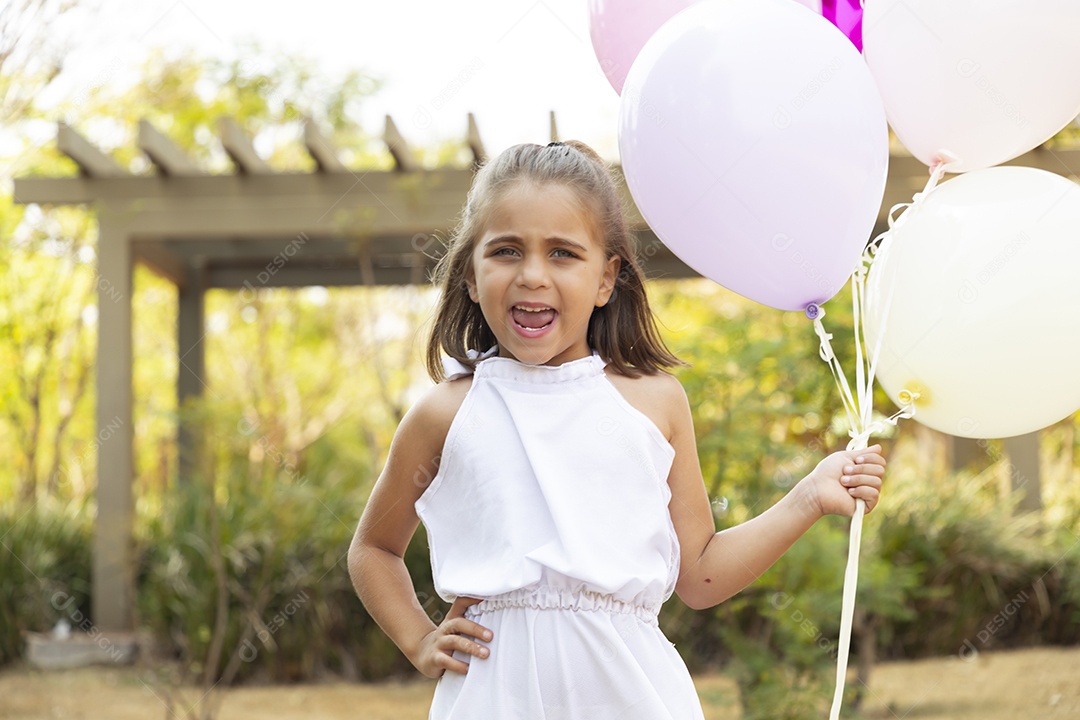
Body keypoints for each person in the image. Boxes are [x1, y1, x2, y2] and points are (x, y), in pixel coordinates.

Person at [347, 140, 886, 719]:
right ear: (471, 278)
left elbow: (700, 575)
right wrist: (418, 638)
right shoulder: (446, 414)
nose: (532, 275)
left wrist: (808, 496)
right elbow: (373, 548)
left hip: (633, 695)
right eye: (505, 251)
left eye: (562, 254)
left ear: (606, 280)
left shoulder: (655, 403)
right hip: (493, 695)